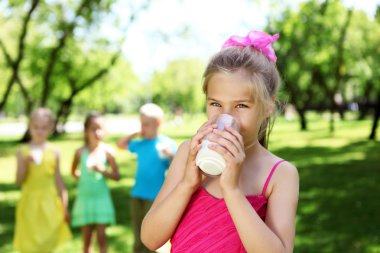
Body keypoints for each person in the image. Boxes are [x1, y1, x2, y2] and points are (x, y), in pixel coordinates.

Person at [141, 30, 299, 253]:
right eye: (215, 104)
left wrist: (232, 191)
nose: (226, 117)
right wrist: (187, 184)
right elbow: (150, 238)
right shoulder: (188, 153)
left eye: (241, 105)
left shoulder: (280, 175)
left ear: (268, 107)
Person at [117, 103, 177, 253]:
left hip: (155, 197)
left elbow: (176, 169)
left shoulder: (167, 143)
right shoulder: (140, 143)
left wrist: (170, 155)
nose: (143, 127)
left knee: (152, 238)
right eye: (141, 124)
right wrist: (136, 133)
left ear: (157, 123)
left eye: (146, 124)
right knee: (138, 236)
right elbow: (120, 144)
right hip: (137, 194)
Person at [13, 107, 72, 252]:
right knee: (30, 242)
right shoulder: (22, 152)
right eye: (36, 127)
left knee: (48, 240)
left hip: (49, 202)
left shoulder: (54, 151)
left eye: (44, 128)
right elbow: (19, 180)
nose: (39, 131)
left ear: (51, 128)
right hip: (29, 203)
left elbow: (59, 180)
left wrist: (64, 206)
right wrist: (26, 164)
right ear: (30, 127)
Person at [71, 112, 120, 253]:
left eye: (100, 128)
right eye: (93, 128)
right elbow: (73, 171)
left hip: (101, 199)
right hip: (85, 199)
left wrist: (103, 171)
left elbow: (117, 176)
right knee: (86, 239)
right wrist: (82, 178)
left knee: (101, 237)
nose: (97, 132)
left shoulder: (108, 151)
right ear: (86, 131)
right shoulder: (80, 152)